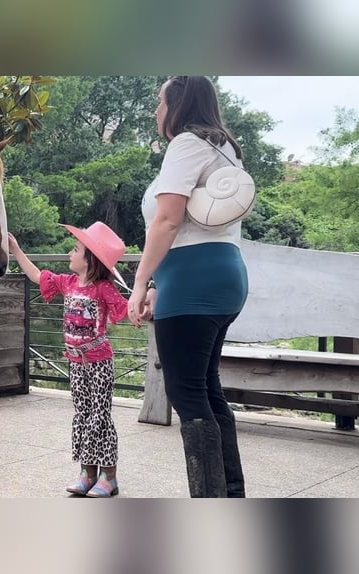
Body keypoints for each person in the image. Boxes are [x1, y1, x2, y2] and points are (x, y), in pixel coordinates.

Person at [128, 76, 248, 498]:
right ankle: (231, 495)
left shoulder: (187, 144)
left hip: (193, 281)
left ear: (178, 105)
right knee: (207, 389)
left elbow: (167, 220)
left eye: (159, 103)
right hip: (224, 275)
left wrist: (140, 283)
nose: (156, 112)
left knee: (187, 394)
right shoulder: (224, 148)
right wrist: (163, 284)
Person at [8, 223, 128, 497]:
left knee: (101, 417)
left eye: (76, 249)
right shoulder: (68, 282)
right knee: (83, 414)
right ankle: (88, 473)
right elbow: (38, 276)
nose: (70, 253)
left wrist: (142, 308)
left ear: (90, 260)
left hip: (99, 363)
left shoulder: (103, 289)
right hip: (76, 363)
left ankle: (109, 477)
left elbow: (126, 309)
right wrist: (16, 250)